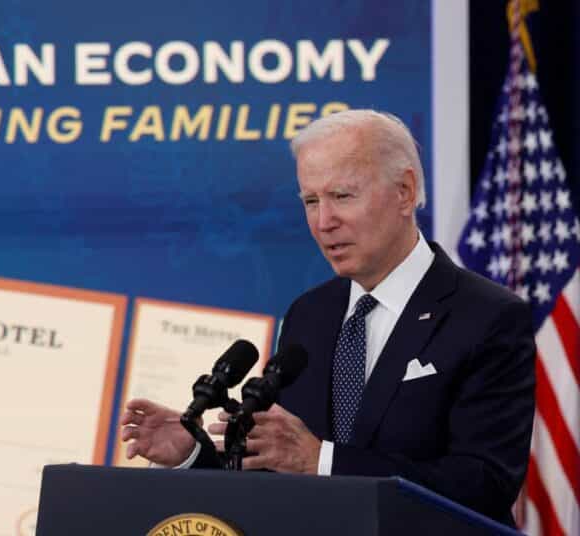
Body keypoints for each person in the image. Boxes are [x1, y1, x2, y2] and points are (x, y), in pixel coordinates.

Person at [120, 109, 536, 527]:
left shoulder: (488, 317)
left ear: (405, 192)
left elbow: (483, 485)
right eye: (311, 201)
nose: (324, 223)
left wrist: (322, 459)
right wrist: (193, 452)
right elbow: (275, 472)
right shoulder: (309, 315)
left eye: (342, 196)